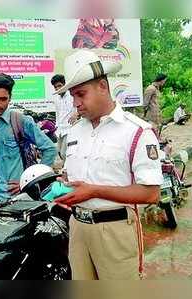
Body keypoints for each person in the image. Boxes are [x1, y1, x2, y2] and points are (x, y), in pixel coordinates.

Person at [54, 50, 163, 280]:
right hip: (78, 227)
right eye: (73, 96)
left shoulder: (136, 132)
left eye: (81, 94)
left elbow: (151, 193)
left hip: (114, 230)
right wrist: (64, 187)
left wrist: (94, 191)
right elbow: (72, 176)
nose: (76, 103)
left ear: (103, 86)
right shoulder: (75, 131)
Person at [0, 73, 57, 219]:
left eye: (3, 99)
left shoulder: (21, 121)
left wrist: (31, 183)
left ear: (10, 98)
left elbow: (49, 148)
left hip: (15, 201)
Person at [51, 74, 79, 164]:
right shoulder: (56, 98)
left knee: (65, 153)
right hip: (60, 129)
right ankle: (66, 169)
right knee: (58, 152)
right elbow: (57, 114)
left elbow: (81, 106)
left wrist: (77, 114)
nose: (57, 88)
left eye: (59, 85)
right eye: (55, 87)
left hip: (70, 128)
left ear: (64, 84)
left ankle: (67, 171)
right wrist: (56, 128)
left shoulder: (72, 95)